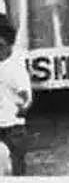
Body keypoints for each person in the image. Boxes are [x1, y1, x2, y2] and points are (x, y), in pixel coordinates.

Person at [0, 22, 31, 176]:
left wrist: (16, 112)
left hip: (12, 130)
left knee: (15, 172)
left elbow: (26, 100)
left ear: (9, 45)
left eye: (0, 45)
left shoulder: (15, 68)